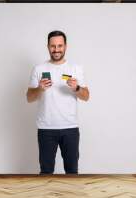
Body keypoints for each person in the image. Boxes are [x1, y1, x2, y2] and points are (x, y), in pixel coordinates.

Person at [26, 30, 90, 174]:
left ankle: (72, 196)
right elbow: (29, 97)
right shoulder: (39, 69)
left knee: (72, 172)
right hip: (46, 129)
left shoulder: (75, 68)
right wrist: (39, 89)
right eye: (53, 46)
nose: (56, 50)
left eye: (60, 46)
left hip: (70, 128)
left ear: (65, 46)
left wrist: (77, 88)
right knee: (46, 172)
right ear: (48, 46)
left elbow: (86, 96)